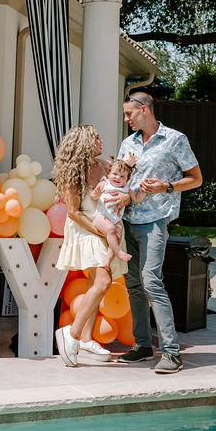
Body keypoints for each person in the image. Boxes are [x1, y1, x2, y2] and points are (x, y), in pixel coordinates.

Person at [108, 91, 202, 374]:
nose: (126, 119)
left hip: (155, 222)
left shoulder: (175, 140)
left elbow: (196, 179)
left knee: (151, 281)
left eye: (129, 114)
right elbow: (122, 176)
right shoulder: (129, 143)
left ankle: (172, 353)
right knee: (133, 285)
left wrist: (167, 186)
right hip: (127, 221)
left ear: (144, 110)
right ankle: (143, 345)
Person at [52, 125, 126, 367]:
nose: (101, 140)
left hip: (107, 227)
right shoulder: (74, 172)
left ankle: (86, 339)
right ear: (84, 142)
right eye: (96, 137)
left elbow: (123, 181)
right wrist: (99, 231)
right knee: (104, 282)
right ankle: (71, 334)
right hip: (86, 228)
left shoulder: (105, 166)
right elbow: (73, 212)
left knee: (95, 283)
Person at [90, 158, 143, 266]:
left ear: (127, 180)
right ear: (108, 174)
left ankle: (107, 261)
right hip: (101, 216)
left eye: (122, 176)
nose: (118, 177)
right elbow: (93, 197)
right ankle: (118, 252)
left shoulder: (127, 188)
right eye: (115, 174)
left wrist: (144, 191)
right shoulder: (104, 183)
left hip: (116, 219)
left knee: (117, 237)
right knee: (110, 229)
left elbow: (137, 198)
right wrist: (96, 193)